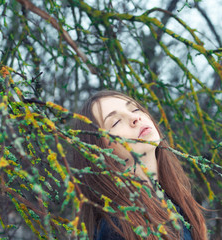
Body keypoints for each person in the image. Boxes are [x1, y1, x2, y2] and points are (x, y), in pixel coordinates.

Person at [72, 90, 207, 240]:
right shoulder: (118, 228)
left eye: (135, 109)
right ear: (100, 150)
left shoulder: (174, 201)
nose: (135, 118)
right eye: (116, 122)